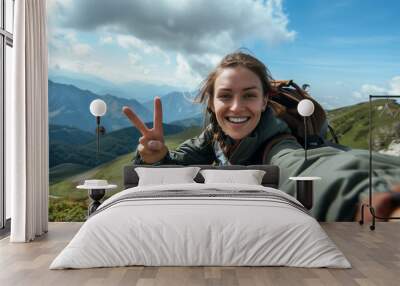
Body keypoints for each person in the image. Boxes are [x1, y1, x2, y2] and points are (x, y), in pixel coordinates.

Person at [122, 51, 400, 222]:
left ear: (265, 101)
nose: (236, 107)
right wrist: (155, 157)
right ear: (211, 103)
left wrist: (375, 198)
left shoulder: (277, 144)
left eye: (250, 96)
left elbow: (302, 167)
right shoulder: (215, 135)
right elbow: (180, 161)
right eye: (225, 96)